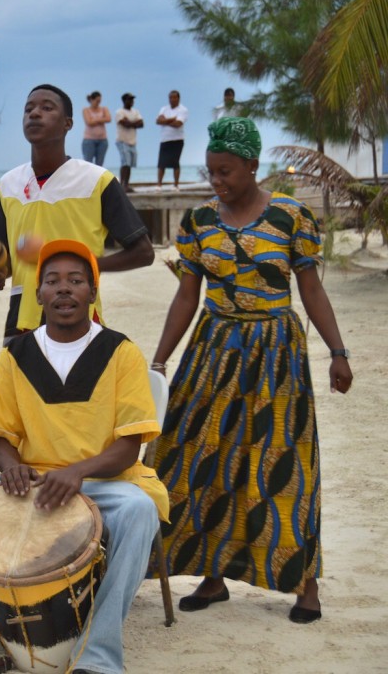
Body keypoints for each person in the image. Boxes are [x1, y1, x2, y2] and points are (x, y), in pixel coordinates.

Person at [150, 117, 353, 625]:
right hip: (213, 347)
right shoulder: (198, 221)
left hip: (276, 351)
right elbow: (186, 296)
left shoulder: (290, 217)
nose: (217, 181)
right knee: (201, 456)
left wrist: (338, 351)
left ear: (252, 166)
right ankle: (212, 577)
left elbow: (310, 290)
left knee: (283, 461)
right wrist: (159, 358)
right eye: (212, 171)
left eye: (226, 172)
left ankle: (305, 586)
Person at [0, 239, 167, 674]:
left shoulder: (122, 352)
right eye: (53, 281)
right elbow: (2, 437)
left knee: (140, 511)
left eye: (77, 281)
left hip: (108, 483)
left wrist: (79, 471)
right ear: (38, 294)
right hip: (36, 485)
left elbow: (128, 447)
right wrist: (13, 468)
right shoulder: (15, 356)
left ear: (93, 293)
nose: (64, 289)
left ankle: (97, 657)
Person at [0, 83, 154, 344]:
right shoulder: (8, 185)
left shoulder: (97, 181)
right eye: (28, 109)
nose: (35, 113)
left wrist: (88, 266)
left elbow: (143, 252)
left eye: (47, 108)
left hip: (78, 317)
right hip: (21, 320)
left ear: (68, 123)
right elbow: (5, 264)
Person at [156, 90, 189, 188]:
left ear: (178, 98)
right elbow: (158, 121)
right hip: (165, 139)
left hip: (177, 139)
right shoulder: (164, 109)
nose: (172, 99)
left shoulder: (183, 110)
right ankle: (159, 185)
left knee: (175, 163)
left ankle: (176, 185)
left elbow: (178, 124)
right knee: (161, 163)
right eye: (170, 97)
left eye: (174, 97)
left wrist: (165, 121)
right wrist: (171, 119)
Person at [115, 92, 144, 192]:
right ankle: (122, 185)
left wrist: (130, 122)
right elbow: (124, 123)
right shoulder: (120, 112)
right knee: (125, 163)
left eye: (132, 99)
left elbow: (141, 124)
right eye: (129, 99)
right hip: (122, 141)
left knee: (130, 164)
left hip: (132, 141)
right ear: (124, 101)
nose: (132, 101)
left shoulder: (135, 111)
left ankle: (126, 185)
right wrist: (134, 123)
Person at [81, 91, 111, 166]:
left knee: (100, 164)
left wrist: (95, 120)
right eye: (97, 101)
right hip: (89, 140)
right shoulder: (86, 110)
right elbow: (89, 122)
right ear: (91, 99)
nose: (98, 103)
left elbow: (108, 119)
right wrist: (101, 119)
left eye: (99, 101)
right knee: (88, 163)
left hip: (102, 140)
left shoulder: (104, 109)